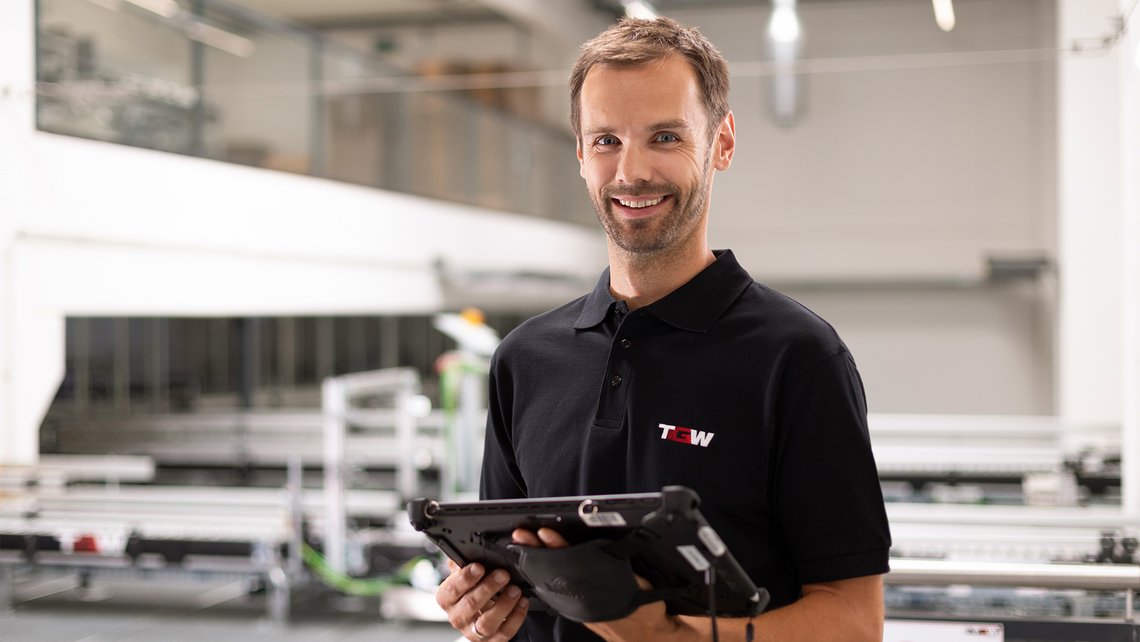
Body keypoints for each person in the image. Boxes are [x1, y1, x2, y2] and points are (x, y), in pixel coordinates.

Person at [435, 16, 891, 642]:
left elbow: (853, 621)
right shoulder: (524, 359)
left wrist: (672, 639)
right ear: (580, 154)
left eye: (666, 137)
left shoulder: (798, 359)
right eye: (606, 141)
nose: (632, 171)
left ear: (722, 143)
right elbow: (513, 589)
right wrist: (481, 613)